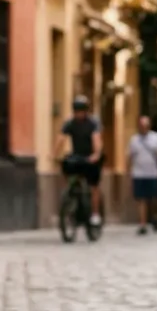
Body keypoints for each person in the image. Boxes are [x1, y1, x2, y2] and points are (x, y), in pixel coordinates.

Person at [54, 95, 103, 226]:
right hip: (77, 156)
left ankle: (95, 213)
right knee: (66, 165)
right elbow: (61, 137)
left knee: (93, 186)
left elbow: (96, 138)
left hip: (90, 157)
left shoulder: (93, 123)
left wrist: (96, 154)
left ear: (86, 111)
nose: (79, 114)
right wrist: (54, 154)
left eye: (81, 111)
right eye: (76, 111)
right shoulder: (70, 123)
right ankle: (70, 195)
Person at [126, 116, 157, 236]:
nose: (143, 127)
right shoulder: (134, 140)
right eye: (141, 125)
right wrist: (129, 172)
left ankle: (155, 217)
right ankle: (143, 224)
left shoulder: (156, 138)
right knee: (141, 199)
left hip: (154, 174)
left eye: (146, 125)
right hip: (139, 174)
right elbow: (129, 157)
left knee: (154, 199)